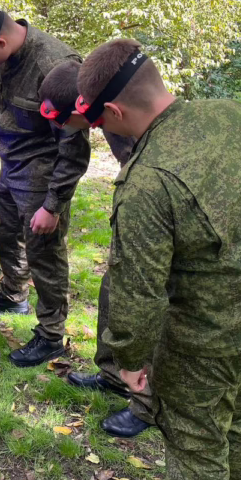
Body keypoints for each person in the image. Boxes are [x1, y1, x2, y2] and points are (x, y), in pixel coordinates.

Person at [78, 38, 241, 480]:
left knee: (196, 453)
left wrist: (129, 360)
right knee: (232, 422)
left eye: (96, 120)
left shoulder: (146, 181)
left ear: (113, 112)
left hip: (207, 346)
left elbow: (139, 292)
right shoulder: (235, 116)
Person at [0, 2, 90, 367]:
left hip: (42, 177)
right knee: (8, 237)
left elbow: (74, 148)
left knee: (45, 255)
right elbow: (2, 108)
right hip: (10, 166)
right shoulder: (3, 59)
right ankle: (13, 297)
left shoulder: (57, 67)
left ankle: (50, 335)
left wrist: (53, 204)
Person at [38, 61, 153, 437]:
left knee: (148, 304)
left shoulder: (133, 122)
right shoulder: (107, 115)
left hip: (161, 219)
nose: (59, 128)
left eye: (62, 118)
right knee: (112, 290)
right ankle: (112, 375)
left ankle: (148, 404)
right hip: (139, 207)